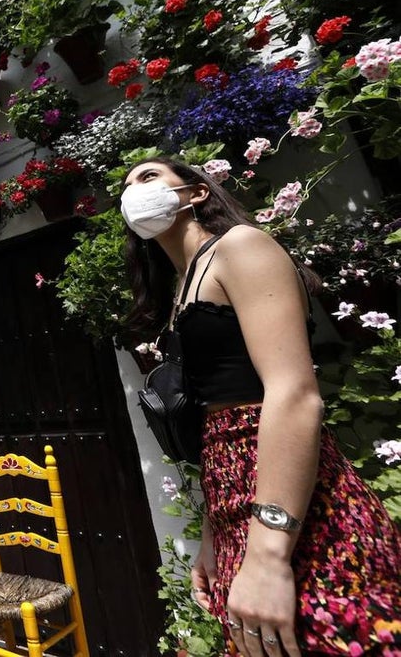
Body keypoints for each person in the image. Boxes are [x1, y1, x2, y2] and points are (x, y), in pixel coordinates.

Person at [120, 156, 401, 656]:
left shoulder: (241, 246)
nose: (133, 191)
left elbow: (293, 392)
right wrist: (213, 534)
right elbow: (214, 417)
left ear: (196, 193)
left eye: (148, 177)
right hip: (234, 500)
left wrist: (269, 556)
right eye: (125, 186)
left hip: (293, 507)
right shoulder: (184, 285)